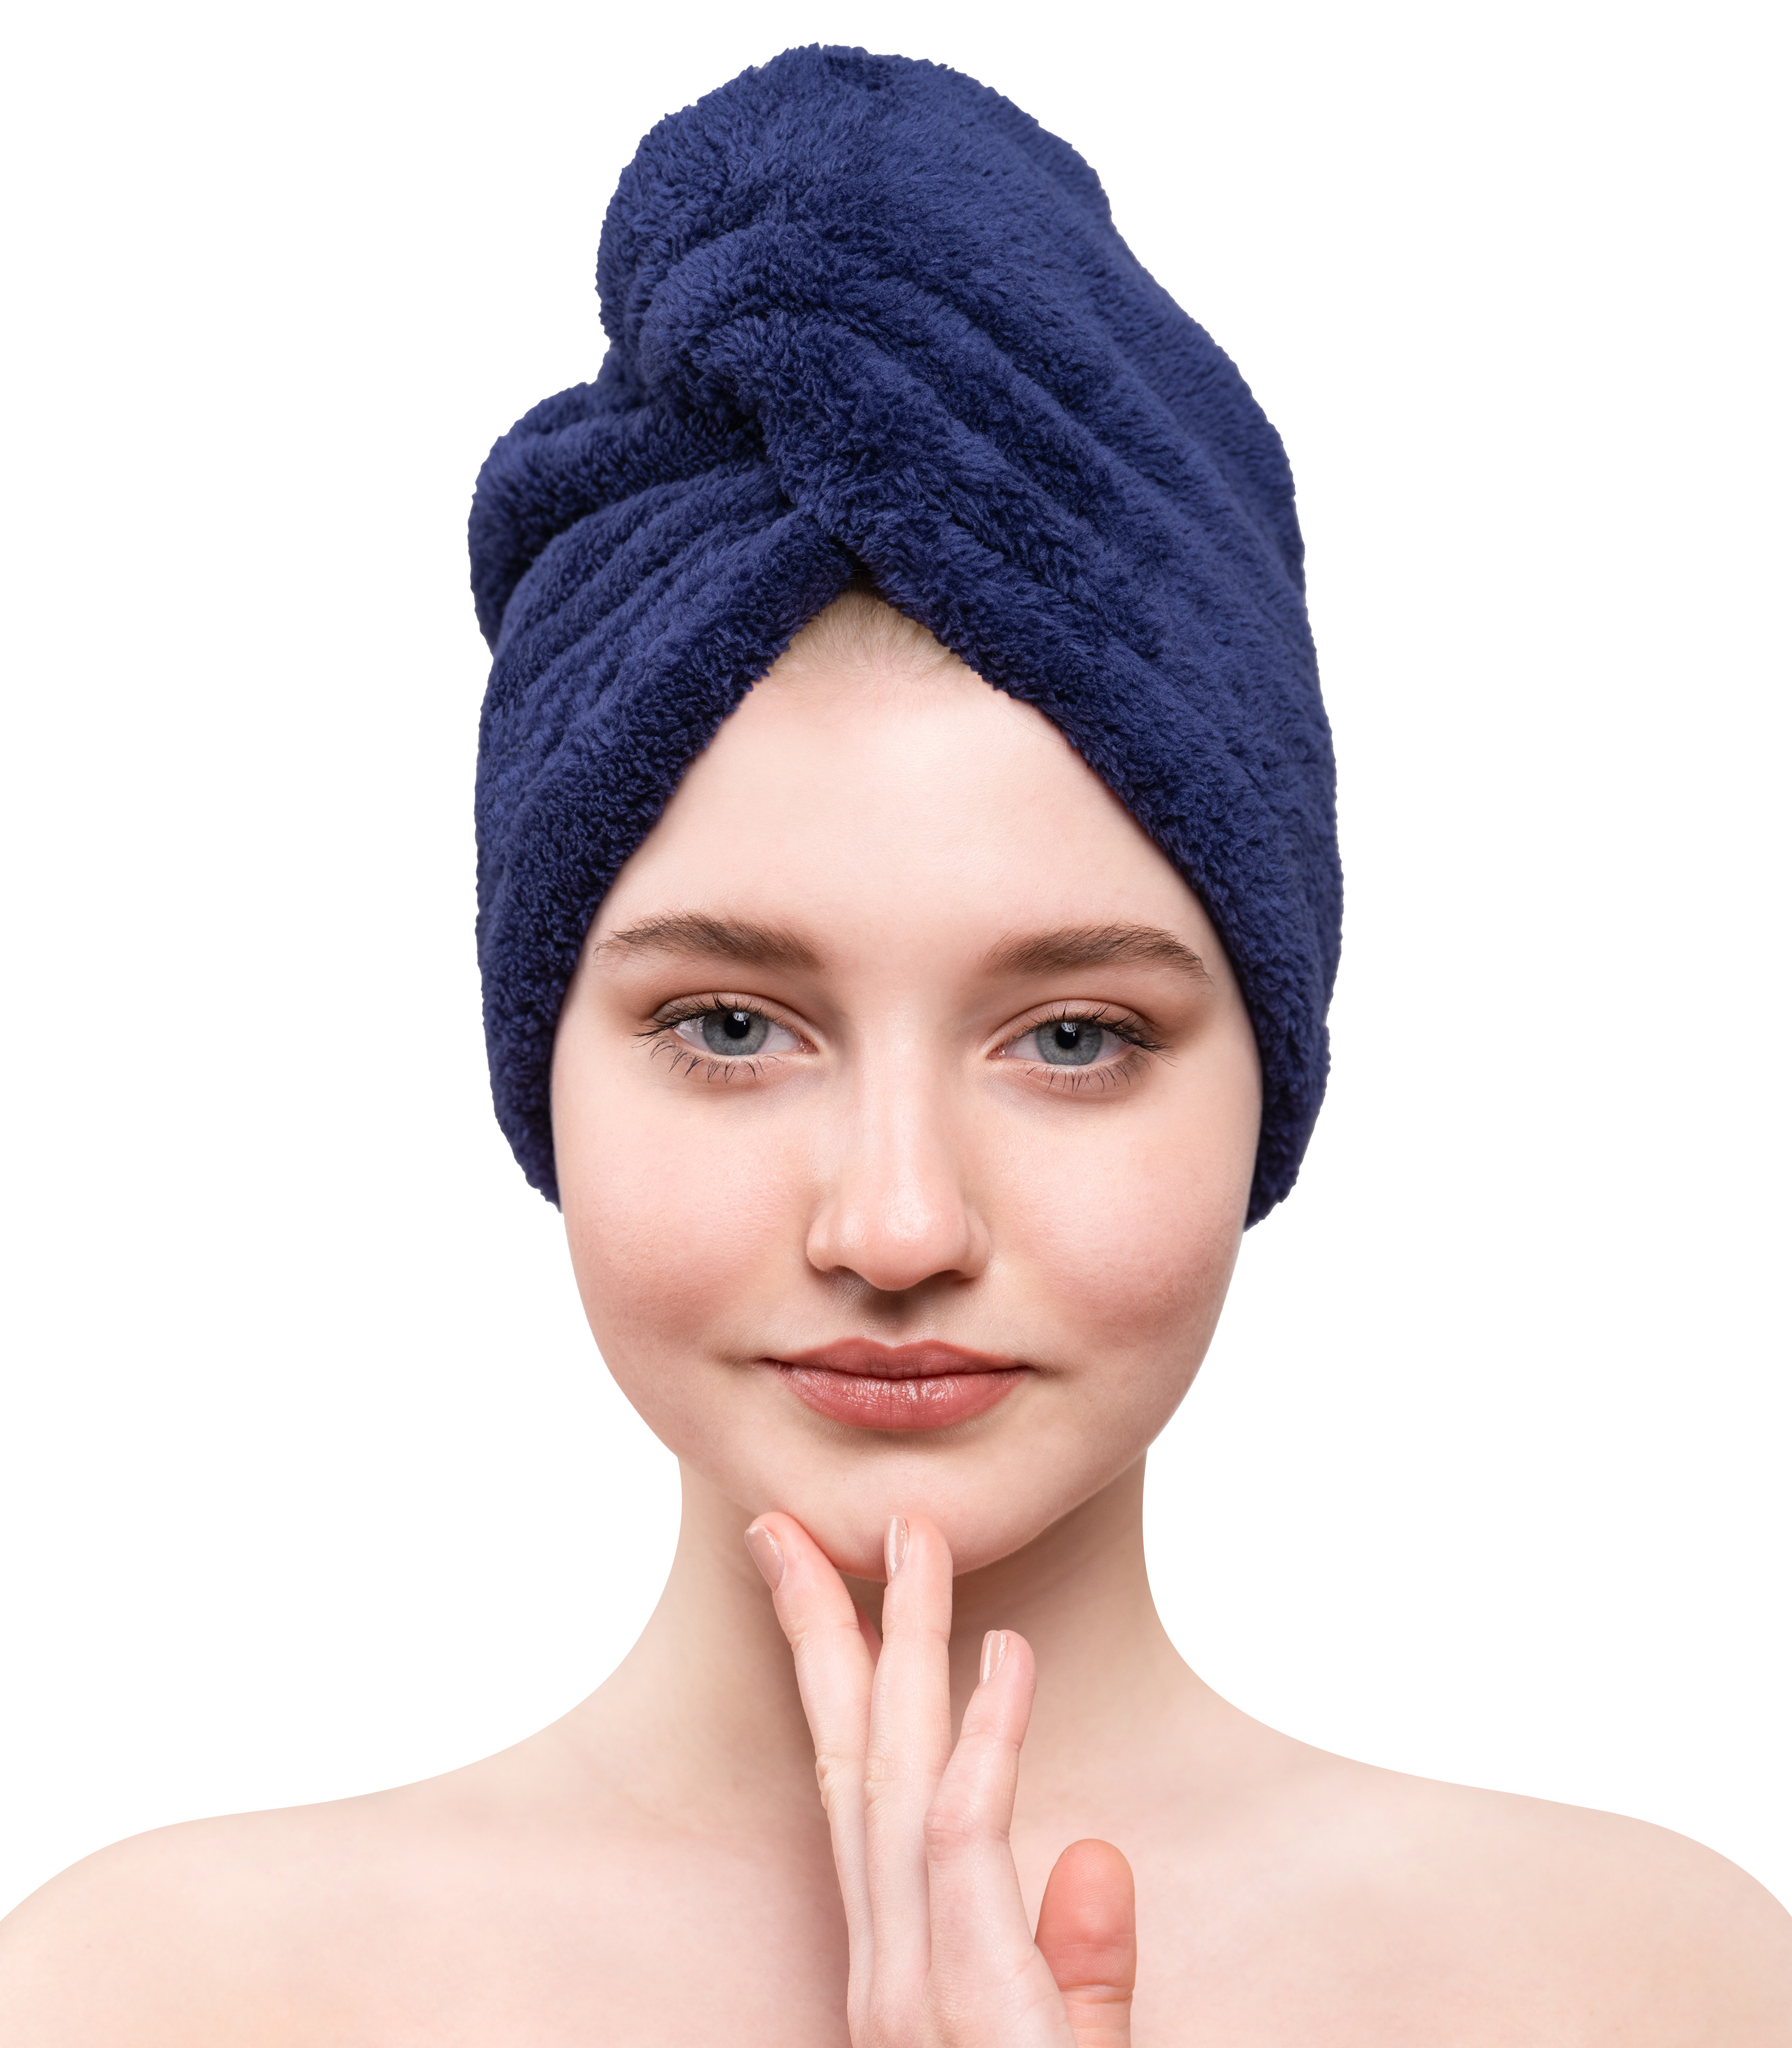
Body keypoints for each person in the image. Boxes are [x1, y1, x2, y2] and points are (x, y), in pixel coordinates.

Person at [2, 46, 1787, 2047]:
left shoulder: (1658, 1987)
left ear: (1266, 1084)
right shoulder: (145, 1996)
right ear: (544, 1069)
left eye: (1075, 1035)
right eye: (731, 1024)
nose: (897, 1223)